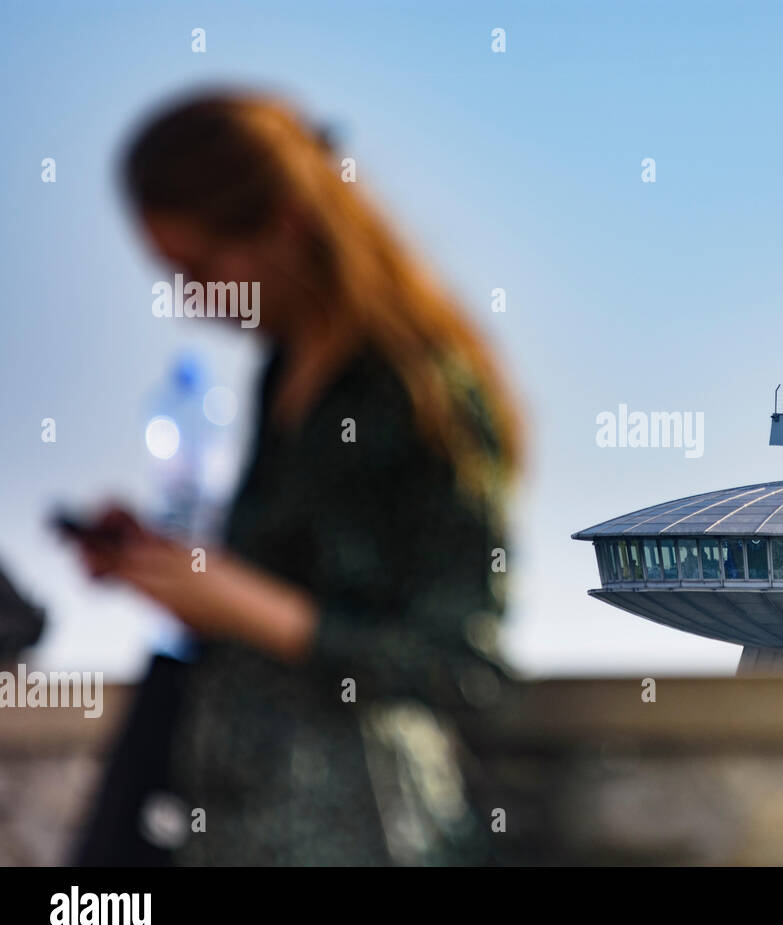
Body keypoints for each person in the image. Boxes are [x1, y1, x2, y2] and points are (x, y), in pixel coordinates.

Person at [68, 92, 521, 866]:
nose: (191, 300)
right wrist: (174, 570)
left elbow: (461, 664)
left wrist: (251, 607)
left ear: (282, 225)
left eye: (198, 268)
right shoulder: (284, 377)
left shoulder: (414, 389)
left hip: (368, 834)